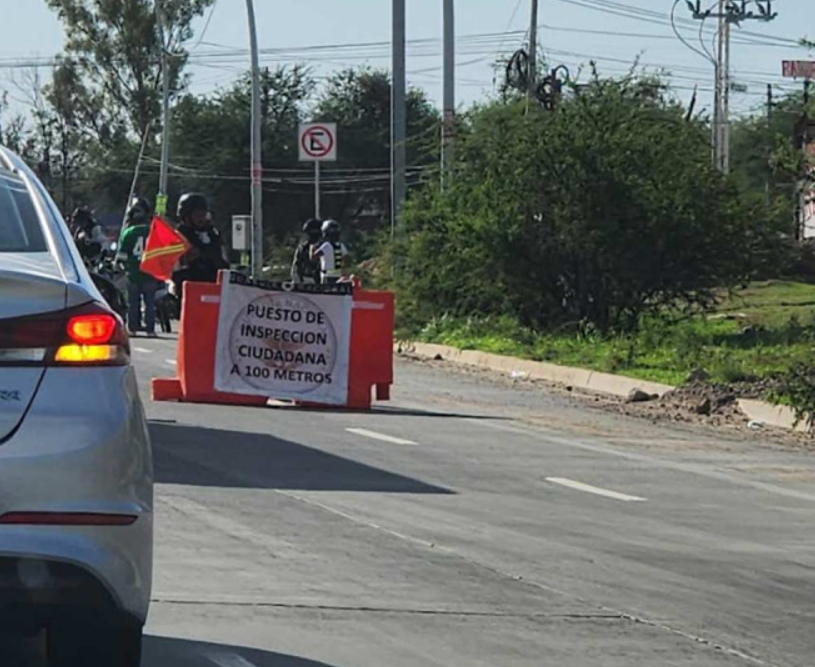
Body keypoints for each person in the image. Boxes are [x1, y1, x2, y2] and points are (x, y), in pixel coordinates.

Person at [172, 193, 229, 300]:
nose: (202, 219)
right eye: (198, 215)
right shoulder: (179, 237)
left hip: (213, 288)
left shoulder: (213, 235)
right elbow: (176, 269)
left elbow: (223, 262)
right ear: (186, 216)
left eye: (204, 215)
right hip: (190, 290)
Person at [118, 196, 158, 337]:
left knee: (133, 303)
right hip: (150, 272)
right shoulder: (154, 231)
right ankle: (150, 329)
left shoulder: (128, 233)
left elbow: (122, 255)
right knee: (150, 303)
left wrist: (121, 266)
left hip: (133, 273)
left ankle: (133, 328)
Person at [312, 219, 349, 285]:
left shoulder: (326, 246)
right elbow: (346, 260)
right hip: (339, 276)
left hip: (327, 276)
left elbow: (314, 256)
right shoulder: (342, 246)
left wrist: (314, 247)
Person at [291, 218, 322, 284]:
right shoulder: (303, 248)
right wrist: (297, 281)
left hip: (323, 283)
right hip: (306, 282)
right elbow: (295, 267)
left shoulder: (325, 247)